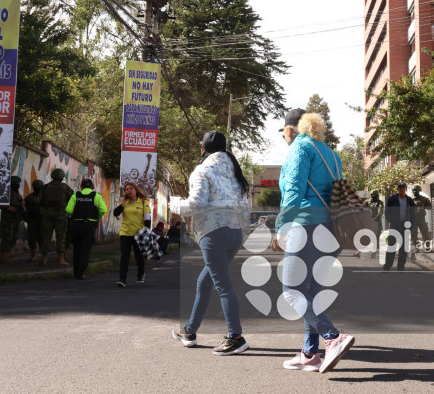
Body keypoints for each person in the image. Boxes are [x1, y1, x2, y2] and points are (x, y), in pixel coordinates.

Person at [270, 109, 355, 373]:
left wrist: (282, 227)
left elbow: (294, 191)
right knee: (311, 292)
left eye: (284, 131)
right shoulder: (330, 152)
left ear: (291, 129)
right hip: (333, 228)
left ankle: (333, 338)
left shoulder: (299, 148)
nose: (284, 136)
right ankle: (310, 354)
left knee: (292, 290)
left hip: (307, 225)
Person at [170, 130, 251, 357]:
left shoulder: (202, 170)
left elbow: (196, 204)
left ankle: (236, 337)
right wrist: (242, 232)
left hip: (213, 233)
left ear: (203, 149)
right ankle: (189, 331)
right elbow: (245, 207)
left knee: (223, 285)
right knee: (204, 282)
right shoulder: (235, 173)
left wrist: (174, 205)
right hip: (234, 233)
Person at [65, 178, 107, 280]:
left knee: (77, 249)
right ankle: (81, 271)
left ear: (81, 187)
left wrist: (74, 214)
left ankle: (76, 272)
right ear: (92, 187)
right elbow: (104, 210)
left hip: (77, 224)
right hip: (90, 225)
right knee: (86, 249)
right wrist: (96, 216)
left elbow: (68, 210)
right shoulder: (96, 196)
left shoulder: (76, 195)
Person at [113, 182, 150, 288]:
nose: (128, 190)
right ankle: (122, 279)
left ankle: (141, 274)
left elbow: (147, 219)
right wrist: (123, 204)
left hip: (139, 233)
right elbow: (115, 213)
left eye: (131, 188)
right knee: (125, 256)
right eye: (126, 189)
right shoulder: (125, 203)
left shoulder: (143, 202)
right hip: (125, 233)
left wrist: (146, 233)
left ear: (136, 190)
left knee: (139, 256)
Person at [38, 168, 74, 267]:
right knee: (61, 236)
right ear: (62, 177)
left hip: (47, 214)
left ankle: (43, 258)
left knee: (46, 235)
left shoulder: (45, 187)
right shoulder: (65, 187)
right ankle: (60, 259)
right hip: (61, 214)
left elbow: (40, 201)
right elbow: (72, 200)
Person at [384, 182, 416, 271]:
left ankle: (401, 267)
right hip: (394, 226)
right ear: (397, 189)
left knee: (404, 248)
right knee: (392, 246)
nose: (402, 189)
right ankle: (387, 266)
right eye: (400, 188)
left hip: (405, 227)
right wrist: (390, 221)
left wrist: (413, 226)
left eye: (403, 188)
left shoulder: (409, 200)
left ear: (406, 189)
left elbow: (413, 214)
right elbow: (387, 212)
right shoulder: (392, 199)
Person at [0, 175, 25, 264]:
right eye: (16, 184)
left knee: (13, 238)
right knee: (7, 238)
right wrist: (8, 207)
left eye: (18, 184)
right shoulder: (5, 192)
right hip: (7, 219)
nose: (18, 185)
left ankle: (6, 257)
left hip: (15, 219)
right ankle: (4, 258)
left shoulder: (17, 194)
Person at [23, 179, 44, 261]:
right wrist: (27, 219)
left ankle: (43, 256)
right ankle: (33, 255)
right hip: (32, 221)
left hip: (42, 221)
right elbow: (24, 210)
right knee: (32, 239)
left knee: (42, 239)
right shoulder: (29, 198)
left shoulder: (44, 198)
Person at [411, 184, 431, 255]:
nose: (414, 192)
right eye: (413, 190)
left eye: (416, 190)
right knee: (413, 234)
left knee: (425, 233)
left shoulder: (424, 199)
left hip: (421, 218)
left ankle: (428, 247)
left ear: (419, 191)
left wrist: (424, 206)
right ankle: (417, 248)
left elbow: (429, 207)